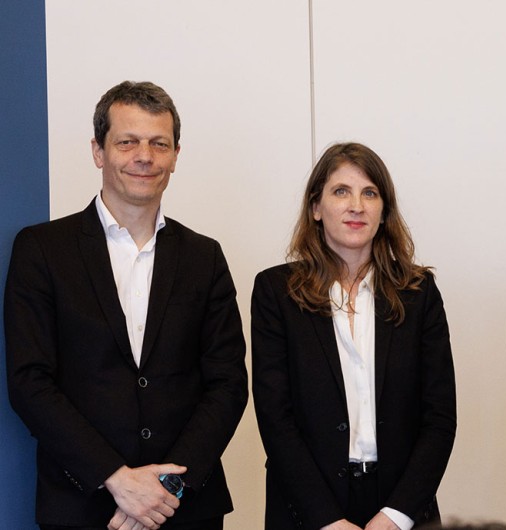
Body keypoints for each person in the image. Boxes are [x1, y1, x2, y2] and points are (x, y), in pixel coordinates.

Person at [5, 81, 248, 529]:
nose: (144, 156)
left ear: (176, 154)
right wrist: (116, 479)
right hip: (81, 508)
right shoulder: (42, 250)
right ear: (99, 151)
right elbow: (30, 382)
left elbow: (228, 383)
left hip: (186, 508)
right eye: (127, 142)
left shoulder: (204, 256)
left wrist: (163, 491)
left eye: (159, 144)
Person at [251, 142, 456, 530]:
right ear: (316, 207)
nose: (356, 205)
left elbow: (440, 419)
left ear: (384, 211)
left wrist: (395, 517)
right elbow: (276, 419)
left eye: (370, 193)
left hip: (401, 508)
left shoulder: (418, 292)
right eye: (341, 191)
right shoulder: (276, 292)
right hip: (307, 511)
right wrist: (326, 520)